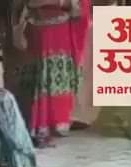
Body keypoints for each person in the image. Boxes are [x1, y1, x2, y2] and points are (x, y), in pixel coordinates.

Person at [16, 0, 91, 147]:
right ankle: (37, 125)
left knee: (55, 75)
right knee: (36, 77)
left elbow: (80, 6)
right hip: (33, 29)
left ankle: (50, 124)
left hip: (59, 31)